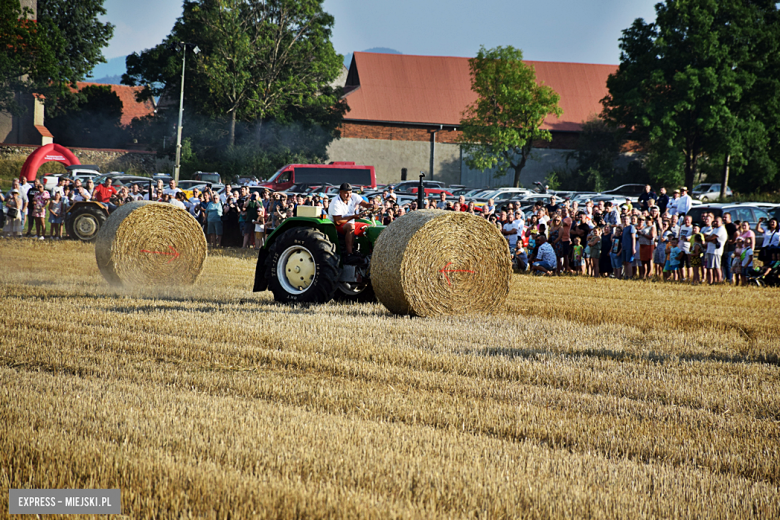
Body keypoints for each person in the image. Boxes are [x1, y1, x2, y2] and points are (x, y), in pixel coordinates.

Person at [328, 183, 376, 259]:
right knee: (351, 227)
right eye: (346, 193)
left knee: (369, 227)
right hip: (336, 226)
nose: (349, 195)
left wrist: (372, 206)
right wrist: (353, 216)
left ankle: (369, 253)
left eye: (350, 193)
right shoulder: (335, 202)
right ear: (341, 192)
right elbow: (337, 221)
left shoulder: (354, 197)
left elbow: (365, 204)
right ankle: (350, 254)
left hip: (350, 222)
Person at [621, 214, 637, 279]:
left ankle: (630, 276)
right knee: (624, 262)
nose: (625, 220)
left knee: (628, 262)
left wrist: (633, 248)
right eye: (624, 219)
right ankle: (626, 275)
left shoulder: (631, 227)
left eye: (627, 219)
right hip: (624, 247)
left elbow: (633, 238)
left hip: (629, 247)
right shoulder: (624, 228)